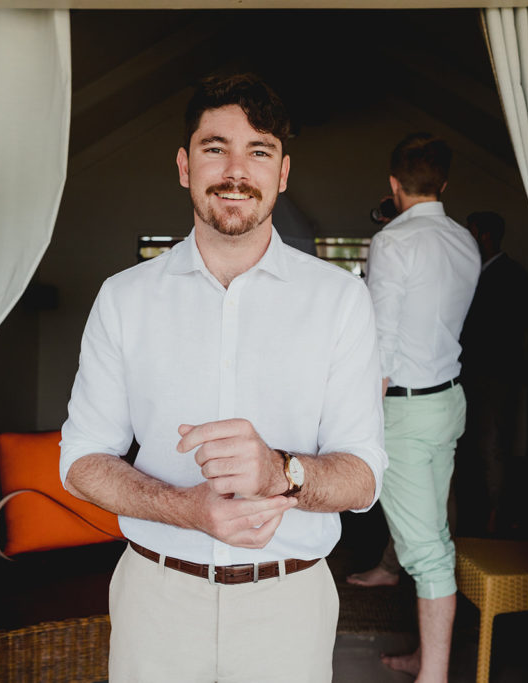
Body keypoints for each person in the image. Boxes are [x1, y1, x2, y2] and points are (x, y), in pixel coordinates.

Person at [58, 73, 387, 682]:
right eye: (216, 148)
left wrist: (278, 473)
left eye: (259, 150)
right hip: (155, 602)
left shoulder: (340, 299)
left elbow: (363, 478)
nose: (237, 170)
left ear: (282, 173)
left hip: (288, 608)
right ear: (185, 165)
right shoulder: (123, 298)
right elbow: (80, 460)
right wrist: (185, 508)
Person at [364, 132, 480, 682]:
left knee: (428, 550)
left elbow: (381, 343)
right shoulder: (465, 241)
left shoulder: (394, 241)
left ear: (393, 185)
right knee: (432, 529)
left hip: (407, 410)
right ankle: (422, 649)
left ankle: (432, 676)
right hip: (449, 401)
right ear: (444, 184)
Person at [456, 211, 528, 538]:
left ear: (486, 236)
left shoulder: (512, 275)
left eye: (472, 234)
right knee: (471, 447)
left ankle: (496, 522)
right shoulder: (471, 273)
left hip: (496, 377)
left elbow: (512, 331)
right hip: (468, 376)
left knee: (492, 447)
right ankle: (473, 519)